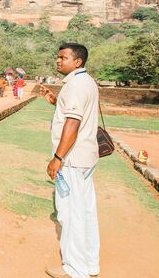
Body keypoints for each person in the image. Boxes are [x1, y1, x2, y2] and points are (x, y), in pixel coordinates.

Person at [39, 43, 100, 278]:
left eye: (63, 57)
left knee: (70, 213)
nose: (58, 61)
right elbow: (73, 113)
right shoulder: (86, 82)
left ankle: (75, 269)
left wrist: (57, 158)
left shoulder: (76, 85)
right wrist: (56, 102)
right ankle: (90, 263)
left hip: (72, 159)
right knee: (85, 211)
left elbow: (72, 124)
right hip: (85, 157)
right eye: (58, 57)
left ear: (78, 62)